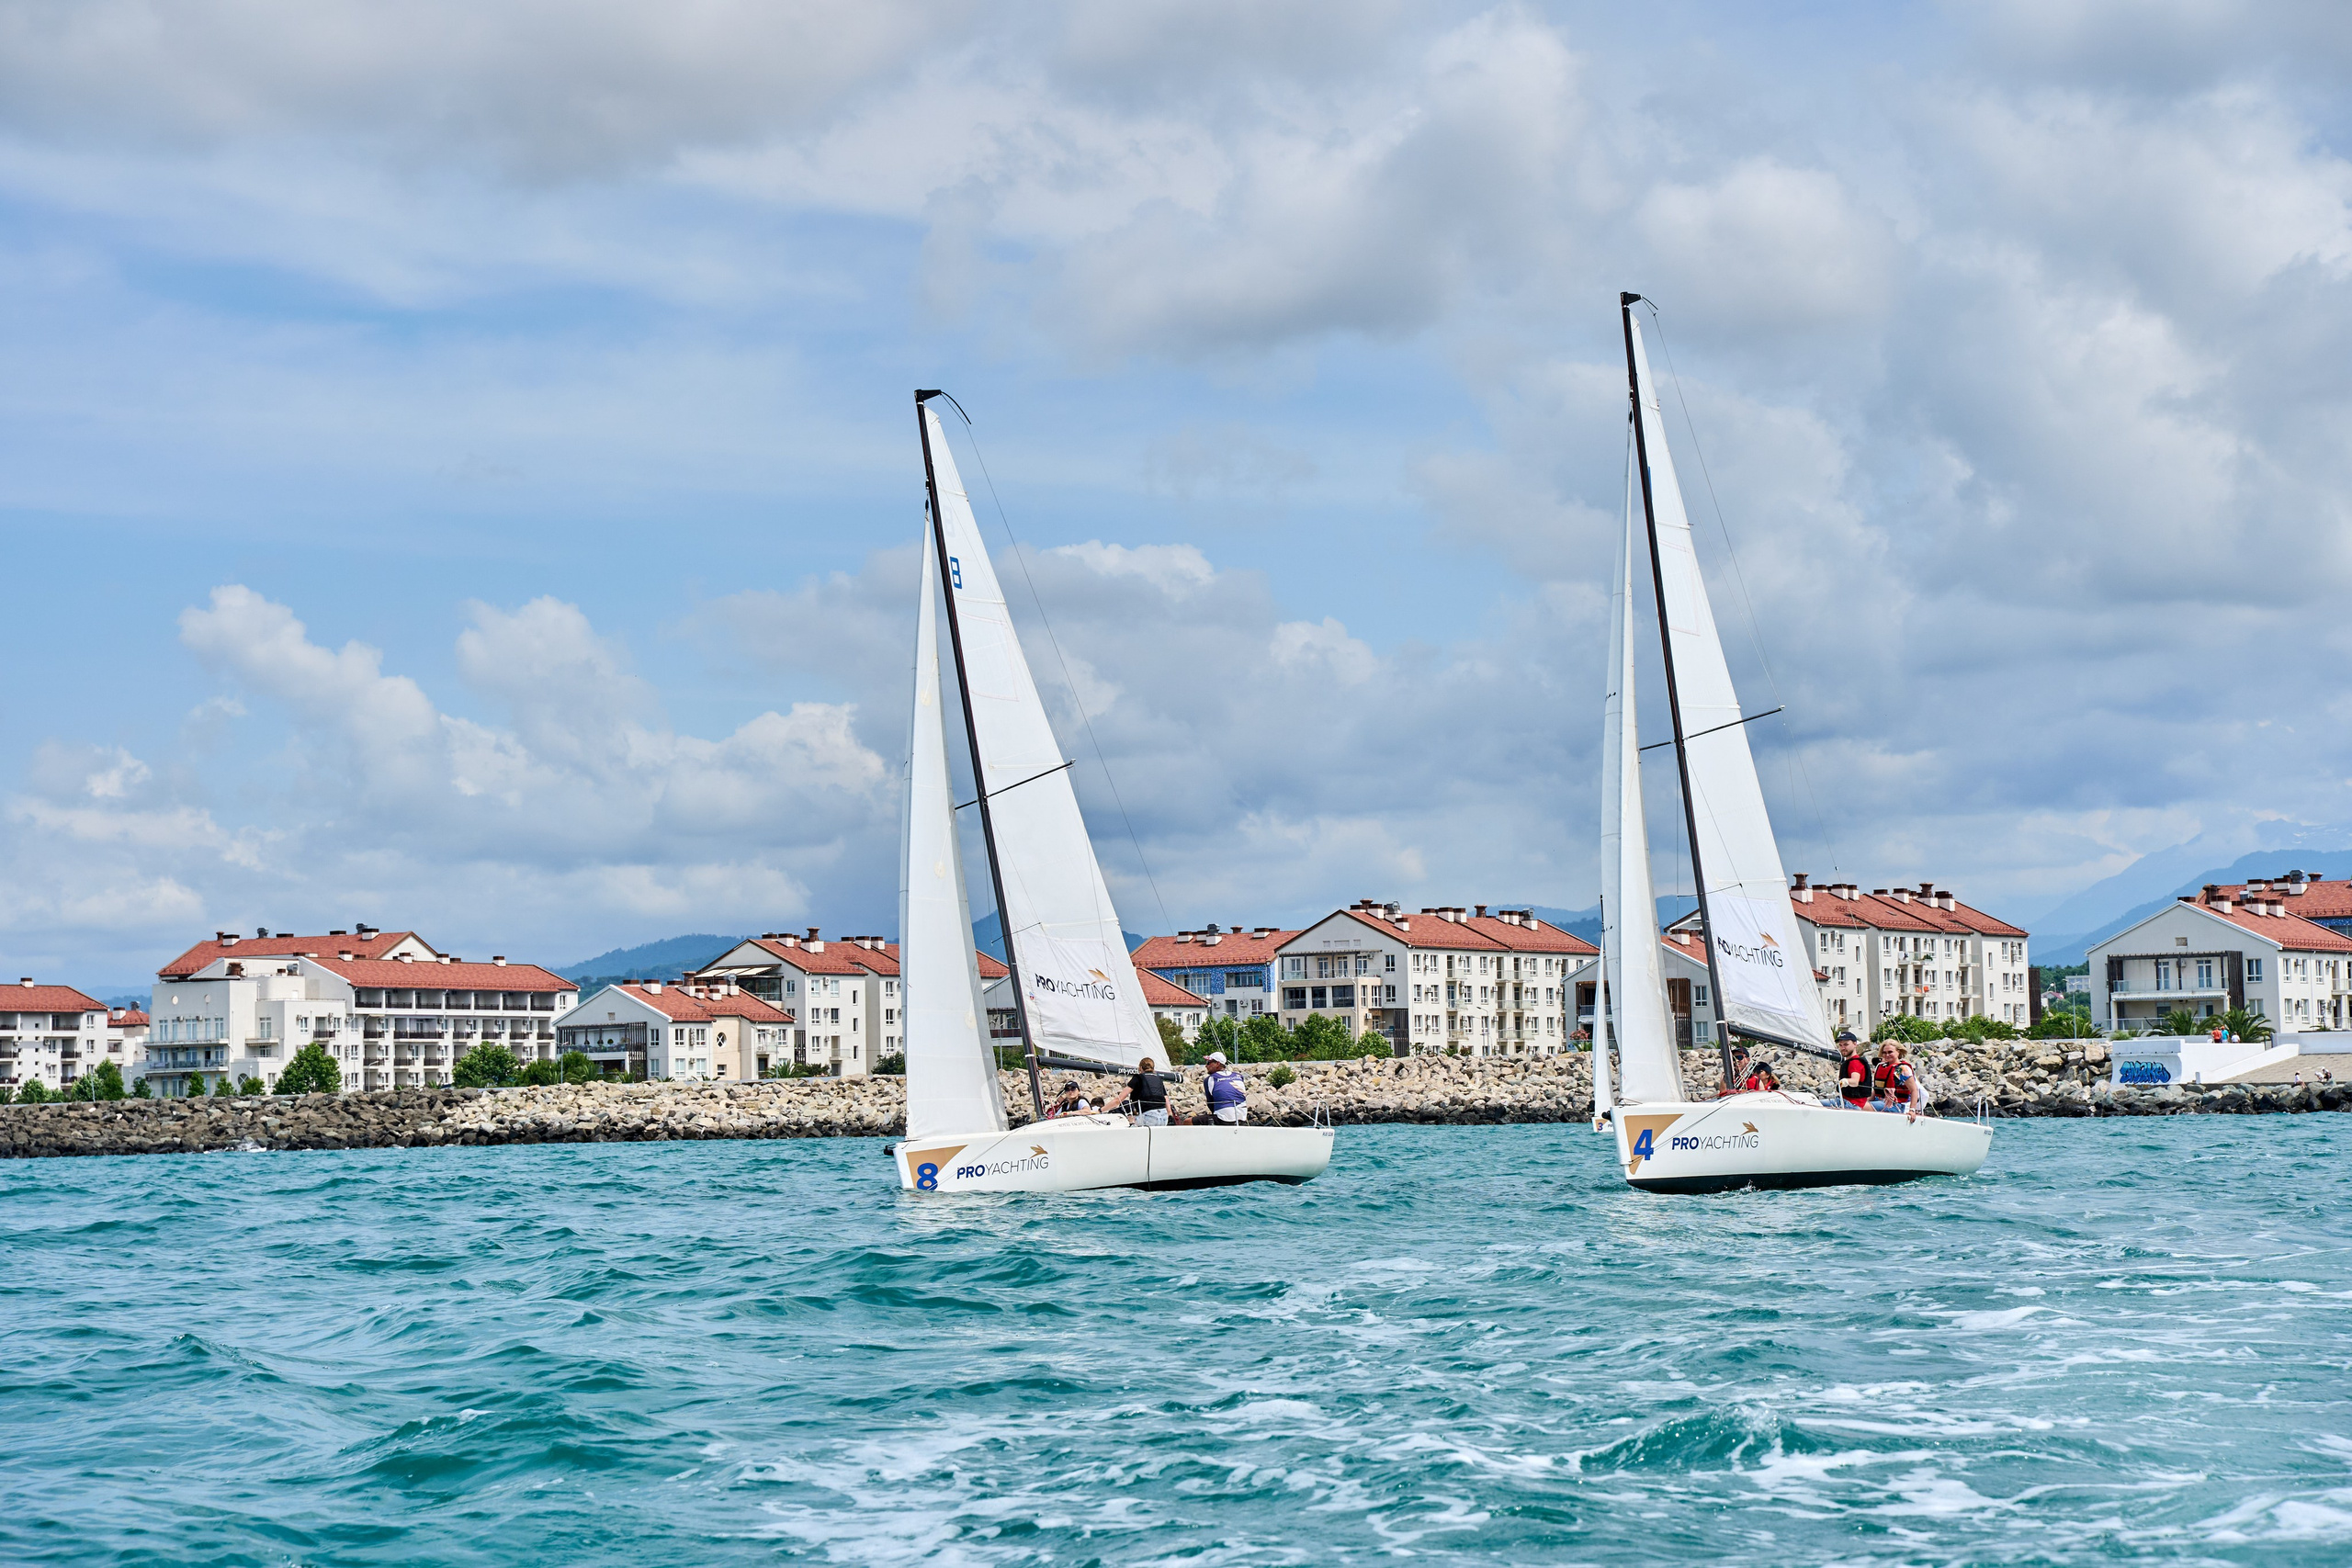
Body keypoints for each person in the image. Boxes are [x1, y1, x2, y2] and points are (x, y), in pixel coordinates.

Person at [1107, 1056, 1172, 1126]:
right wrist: (1170, 1116)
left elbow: (1118, 1100)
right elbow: (1166, 1100)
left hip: (1149, 1117)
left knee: (1129, 1122)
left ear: (1140, 1068)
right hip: (1164, 1117)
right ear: (1153, 1068)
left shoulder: (1138, 1078)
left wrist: (1100, 1111)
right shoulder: (1159, 1079)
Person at [1202, 1051, 1248, 1124]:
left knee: (1188, 1122)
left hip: (1223, 1119)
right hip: (1242, 1118)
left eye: (1208, 1063)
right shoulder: (1239, 1076)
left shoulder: (1210, 1079)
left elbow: (1210, 1103)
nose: (1206, 1066)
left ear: (1217, 1064)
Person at [1836, 1041, 1872, 1109]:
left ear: (1855, 1044)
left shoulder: (1855, 1062)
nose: (1843, 1048)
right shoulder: (1849, 1062)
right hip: (1845, 1101)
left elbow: (1855, 1082)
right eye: (1841, 1045)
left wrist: (1844, 1081)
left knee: (1815, 1104)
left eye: (1846, 1044)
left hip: (1852, 1104)